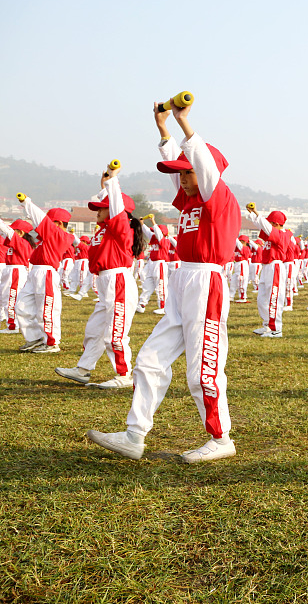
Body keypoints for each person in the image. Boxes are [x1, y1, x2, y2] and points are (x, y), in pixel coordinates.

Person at [87, 97, 241, 463]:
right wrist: (163, 129)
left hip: (206, 282)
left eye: (189, 174)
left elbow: (202, 163)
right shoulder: (189, 201)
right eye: (181, 174)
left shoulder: (218, 198)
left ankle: (221, 439)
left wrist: (185, 123)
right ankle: (134, 435)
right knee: (150, 360)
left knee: (202, 369)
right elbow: (179, 165)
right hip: (181, 280)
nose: (184, 179)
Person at [55, 165, 145, 388]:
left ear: (116, 211)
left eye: (101, 209)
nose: (97, 211)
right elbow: (109, 201)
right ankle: (83, 370)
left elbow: (115, 205)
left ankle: (124, 376)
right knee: (94, 329)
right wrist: (104, 183)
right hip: (106, 282)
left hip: (118, 281)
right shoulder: (104, 228)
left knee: (115, 333)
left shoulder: (120, 227)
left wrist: (113, 182)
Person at [14, 195, 74, 353]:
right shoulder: (49, 235)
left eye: (50, 221)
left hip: (45, 272)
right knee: (21, 306)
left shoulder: (58, 235)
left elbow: (39, 218)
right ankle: (35, 338)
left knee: (46, 309)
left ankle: (51, 342)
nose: (43, 225)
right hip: (35, 272)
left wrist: (27, 203)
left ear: (58, 224)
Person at [248, 207, 289, 337]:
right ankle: (267, 325)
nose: (268, 225)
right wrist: (252, 215)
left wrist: (257, 212)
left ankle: (276, 329)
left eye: (270, 222)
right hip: (267, 267)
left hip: (275, 267)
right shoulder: (273, 232)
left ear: (276, 224)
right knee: (262, 299)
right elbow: (262, 225)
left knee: (274, 298)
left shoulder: (282, 234)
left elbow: (266, 226)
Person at [0, 218, 33, 334]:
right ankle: (12, 323)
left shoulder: (21, 242)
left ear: (21, 233)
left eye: (14, 230)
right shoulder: (16, 242)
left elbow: (6, 230)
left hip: (15, 271)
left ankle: (13, 325)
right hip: (11, 270)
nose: (10, 232)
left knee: (10, 298)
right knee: (6, 297)